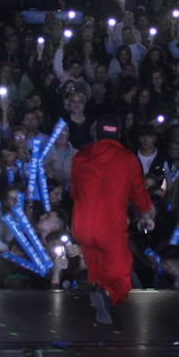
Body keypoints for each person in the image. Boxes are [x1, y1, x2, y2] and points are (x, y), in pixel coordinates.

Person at [70, 115, 155, 324]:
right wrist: (146, 211)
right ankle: (107, 295)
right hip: (109, 228)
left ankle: (98, 293)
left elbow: (74, 191)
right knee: (120, 275)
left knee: (96, 268)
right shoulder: (127, 159)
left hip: (81, 226)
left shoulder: (80, 157)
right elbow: (139, 193)